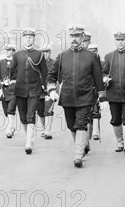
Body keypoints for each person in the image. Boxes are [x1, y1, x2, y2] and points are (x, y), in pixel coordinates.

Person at [47, 24, 106, 168]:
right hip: (67, 97)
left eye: (77, 36)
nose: (74, 39)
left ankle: (78, 155)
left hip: (85, 97)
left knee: (81, 124)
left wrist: (102, 97)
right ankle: (83, 144)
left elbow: (98, 78)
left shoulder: (92, 57)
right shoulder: (62, 56)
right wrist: (52, 90)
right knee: (71, 126)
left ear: (82, 37)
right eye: (72, 36)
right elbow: (51, 75)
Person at [9, 28, 47, 155]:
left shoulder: (39, 54)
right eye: (26, 37)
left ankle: (29, 143)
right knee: (23, 117)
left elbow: (45, 73)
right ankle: (28, 137)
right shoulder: (17, 55)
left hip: (35, 90)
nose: (28, 39)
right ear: (23, 39)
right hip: (20, 91)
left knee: (31, 115)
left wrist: (46, 88)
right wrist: (8, 82)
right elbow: (11, 73)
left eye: (31, 37)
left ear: (34, 39)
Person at [0, 44, 17, 138]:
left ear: (13, 51)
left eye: (9, 50)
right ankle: (12, 126)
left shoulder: (17, 63)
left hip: (14, 90)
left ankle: (9, 128)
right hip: (4, 90)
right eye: (6, 50)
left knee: (10, 109)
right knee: (6, 111)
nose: (7, 51)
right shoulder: (0, 63)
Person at [37, 44, 55, 139]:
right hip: (38, 90)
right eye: (43, 52)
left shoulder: (54, 63)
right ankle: (44, 128)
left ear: (50, 53)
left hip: (50, 90)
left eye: (47, 52)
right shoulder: (36, 63)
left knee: (48, 109)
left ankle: (47, 131)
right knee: (40, 111)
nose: (45, 54)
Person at [87, 43, 103, 141]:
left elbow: (105, 73)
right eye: (91, 51)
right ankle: (88, 134)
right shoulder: (85, 61)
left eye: (95, 51)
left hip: (97, 89)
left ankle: (95, 132)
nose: (93, 53)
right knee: (87, 112)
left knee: (96, 111)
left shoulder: (102, 63)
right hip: (87, 89)